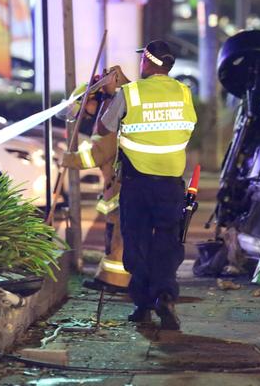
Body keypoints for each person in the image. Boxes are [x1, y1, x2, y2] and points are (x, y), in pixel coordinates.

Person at [96, 40, 197, 330]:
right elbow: (188, 125)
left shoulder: (131, 93)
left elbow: (105, 127)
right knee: (167, 241)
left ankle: (142, 304)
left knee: (137, 241)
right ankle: (164, 295)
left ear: (148, 62)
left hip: (137, 181)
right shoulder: (184, 92)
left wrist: (109, 94)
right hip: (171, 182)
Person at [58, 66, 132, 293]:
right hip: (119, 184)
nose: (83, 114)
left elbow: (98, 152)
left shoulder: (109, 112)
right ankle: (108, 278)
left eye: (83, 106)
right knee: (115, 236)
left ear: (95, 98)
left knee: (119, 238)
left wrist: (68, 159)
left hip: (121, 186)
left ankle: (116, 281)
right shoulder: (110, 108)